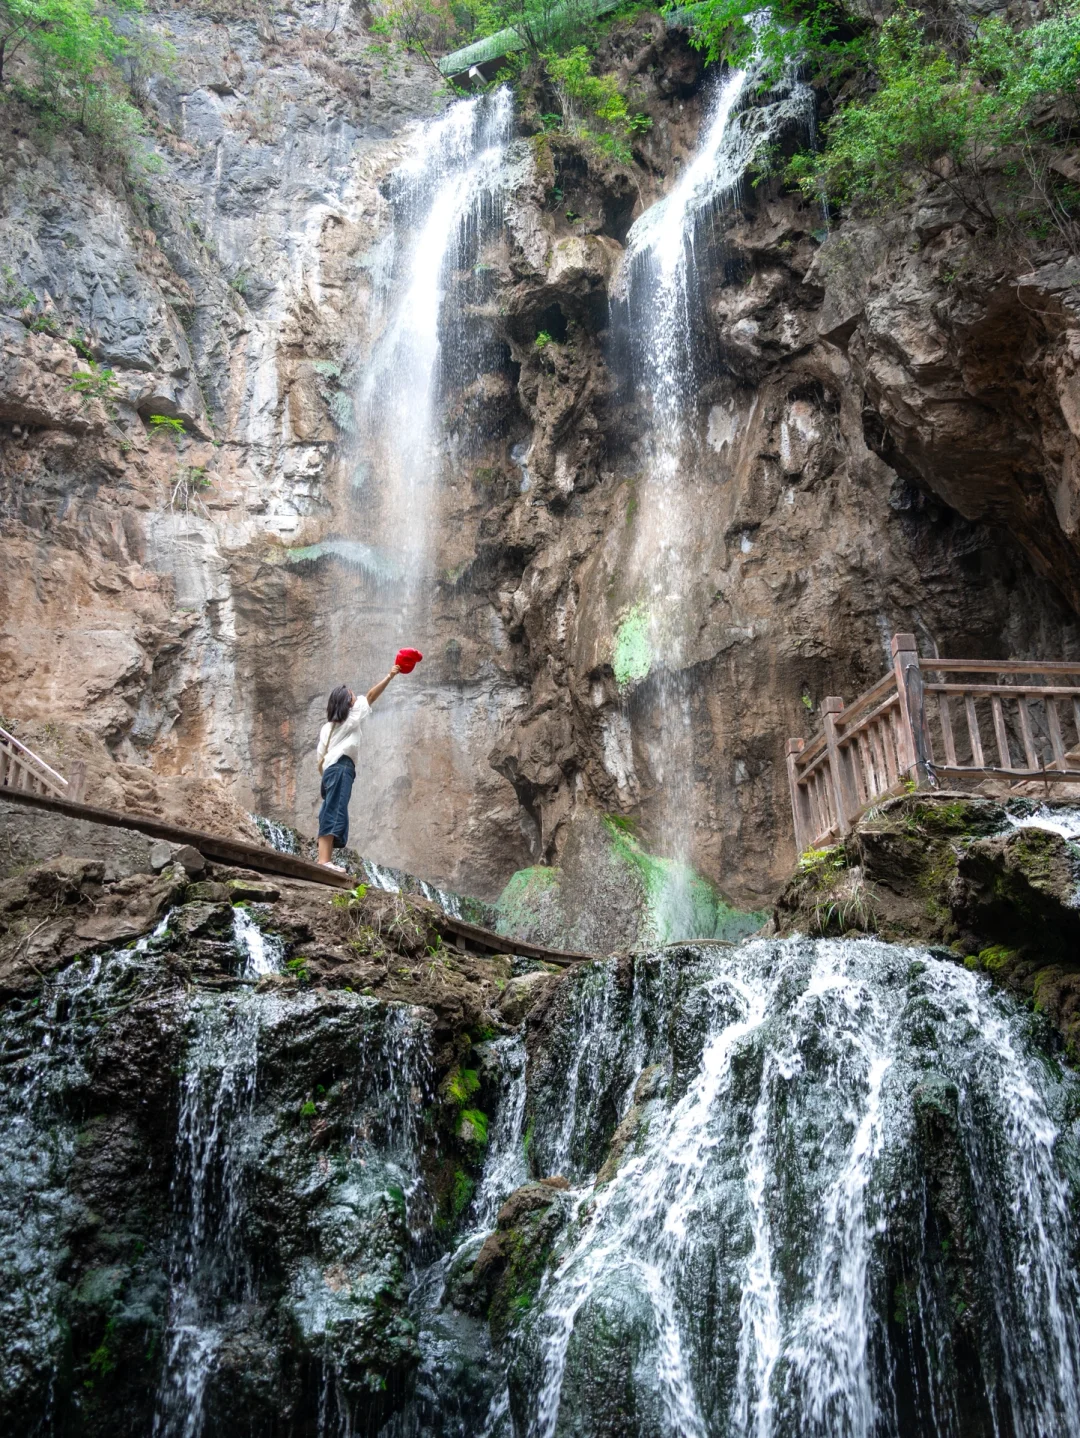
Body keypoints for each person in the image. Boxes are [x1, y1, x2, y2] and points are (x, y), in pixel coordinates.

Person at [316, 665, 401, 870]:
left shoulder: (327, 728)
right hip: (341, 768)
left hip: (329, 772)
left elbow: (320, 756)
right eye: (352, 696)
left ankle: (325, 860)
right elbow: (371, 696)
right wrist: (390, 676)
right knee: (334, 811)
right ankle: (324, 861)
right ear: (347, 703)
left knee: (331, 810)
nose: (356, 698)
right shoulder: (352, 719)